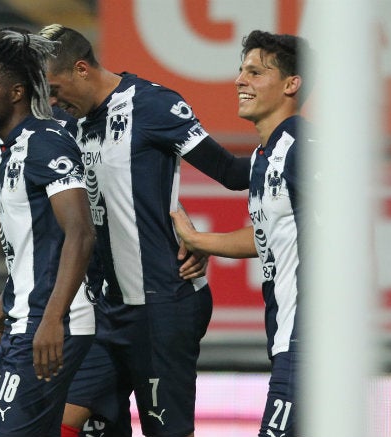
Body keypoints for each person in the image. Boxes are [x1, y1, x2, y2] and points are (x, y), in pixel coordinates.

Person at [39, 24, 251, 437]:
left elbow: (230, 173)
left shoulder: (152, 105)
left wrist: (290, 152)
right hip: (103, 309)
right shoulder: (70, 127)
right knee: (63, 421)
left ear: (82, 69)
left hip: (161, 305)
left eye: (55, 87)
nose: (52, 100)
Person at [170, 30, 316, 437]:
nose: (239, 80)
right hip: (288, 337)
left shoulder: (304, 148)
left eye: (254, 72)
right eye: (241, 71)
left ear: (291, 84)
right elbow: (267, 232)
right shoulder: (266, 156)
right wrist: (199, 241)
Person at [0, 27, 96, 437]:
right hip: (21, 316)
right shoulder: (10, 147)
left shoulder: (45, 144)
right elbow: (37, 241)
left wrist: (53, 319)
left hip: (50, 322)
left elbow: (80, 232)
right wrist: (7, 297)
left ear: (16, 93)